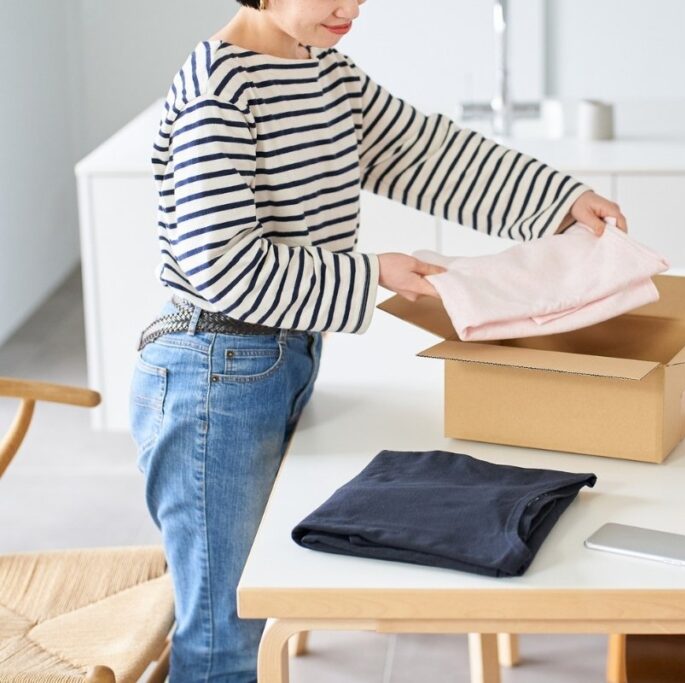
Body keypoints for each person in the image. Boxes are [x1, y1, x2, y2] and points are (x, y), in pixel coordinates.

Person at [129, 0, 629, 680]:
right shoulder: (220, 92)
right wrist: (372, 275)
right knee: (224, 634)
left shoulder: (319, 68)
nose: (352, 6)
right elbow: (224, 267)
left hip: (273, 354)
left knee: (251, 596)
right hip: (213, 373)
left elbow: (426, 153)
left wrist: (559, 200)